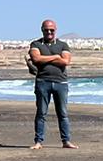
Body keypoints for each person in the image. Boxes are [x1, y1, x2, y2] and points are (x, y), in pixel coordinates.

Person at [28, 20, 76, 149]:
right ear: (42, 30)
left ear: (55, 30)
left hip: (61, 82)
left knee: (63, 113)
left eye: (52, 30)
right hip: (43, 82)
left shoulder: (63, 45)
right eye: (46, 30)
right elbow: (36, 59)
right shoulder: (36, 44)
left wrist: (46, 59)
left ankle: (66, 141)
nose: (49, 32)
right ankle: (38, 141)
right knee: (41, 113)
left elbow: (66, 61)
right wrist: (55, 57)